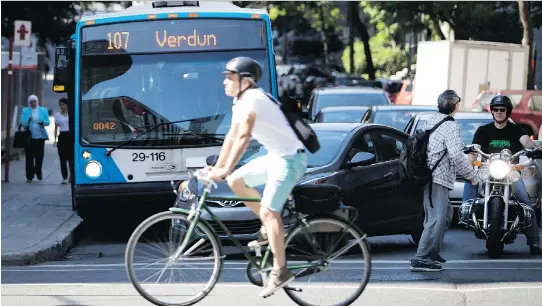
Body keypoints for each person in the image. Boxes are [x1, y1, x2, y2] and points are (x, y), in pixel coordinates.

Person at [207, 57, 307, 297]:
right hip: (276, 156)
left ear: (246, 80)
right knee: (236, 181)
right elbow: (231, 136)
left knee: (269, 212)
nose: (225, 82)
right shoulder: (239, 101)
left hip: (290, 160)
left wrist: (224, 168)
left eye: (230, 77)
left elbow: (243, 137)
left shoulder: (254, 99)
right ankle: (267, 227)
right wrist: (218, 168)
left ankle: (281, 271)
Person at [462, 95, 542, 254]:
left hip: (510, 172)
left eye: (502, 110)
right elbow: (474, 150)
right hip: (487, 171)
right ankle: (465, 213)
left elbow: (527, 142)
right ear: (492, 111)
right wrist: (470, 165)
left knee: (526, 202)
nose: (498, 112)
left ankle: (534, 242)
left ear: (508, 112)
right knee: (470, 181)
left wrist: (533, 148)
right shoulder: (483, 130)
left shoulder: (516, 130)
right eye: (495, 109)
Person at [410, 90, 479, 272]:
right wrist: (472, 176)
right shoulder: (451, 125)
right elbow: (455, 155)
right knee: (435, 219)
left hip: (429, 175)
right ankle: (422, 258)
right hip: (437, 177)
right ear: (455, 105)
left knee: (446, 214)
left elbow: (438, 145)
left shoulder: (432, 119)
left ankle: (433, 252)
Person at [20, 94, 50, 183]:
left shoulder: (43, 110)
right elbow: (23, 123)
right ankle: (29, 176)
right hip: (29, 138)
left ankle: (38, 171)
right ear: (29, 103)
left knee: (39, 157)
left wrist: (42, 122)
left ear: (37, 102)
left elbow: (47, 121)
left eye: (34, 101)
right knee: (29, 157)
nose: (33, 103)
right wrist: (28, 120)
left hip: (40, 137)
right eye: (31, 102)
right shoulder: (25, 110)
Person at [54, 98, 73, 184]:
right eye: (60, 105)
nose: (62, 106)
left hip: (70, 136)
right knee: (62, 159)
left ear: (67, 105)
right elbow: (56, 127)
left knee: (71, 159)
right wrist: (55, 140)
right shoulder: (57, 115)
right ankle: (64, 177)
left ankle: (72, 176)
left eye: (63, 105)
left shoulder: (71, 114)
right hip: (62, 136)